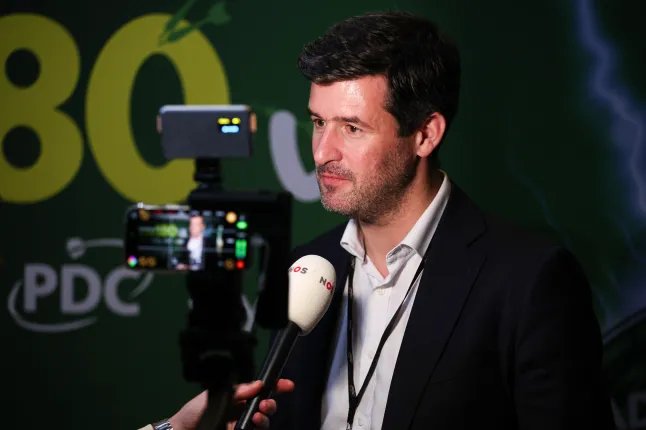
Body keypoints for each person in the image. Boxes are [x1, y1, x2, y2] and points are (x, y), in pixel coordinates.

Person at [157, 11, 614, 430]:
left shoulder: (528, 280)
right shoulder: (307, 267)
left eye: (352, 128)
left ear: (425, 134)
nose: (322, 152)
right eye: (318, 122)